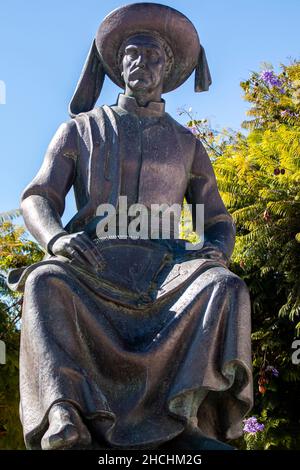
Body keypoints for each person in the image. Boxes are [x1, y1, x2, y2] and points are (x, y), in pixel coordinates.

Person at [8, 3, 253, 450]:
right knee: (44, 281)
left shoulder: (186, 143)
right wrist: (58, 238)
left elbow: (216, 219)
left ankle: (188, 419)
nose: (142, 63)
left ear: (170, 66)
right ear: (118, 65)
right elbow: (38, 197)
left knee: (225, 285)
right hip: (94, 267)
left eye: (153, 56)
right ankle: (65, 413)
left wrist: (215, 250)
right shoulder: (80, 130)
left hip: (166, 272)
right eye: (132, 55)